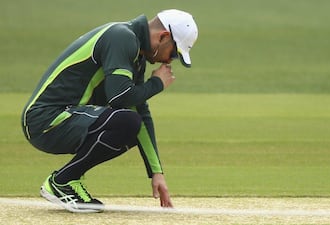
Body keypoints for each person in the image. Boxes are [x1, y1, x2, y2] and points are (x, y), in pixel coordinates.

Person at [21, 9, 198, 213]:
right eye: (174, 53)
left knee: (132, 125)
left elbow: (139, 112)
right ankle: (62, 181)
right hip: (45, 120)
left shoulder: (135, 52)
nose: (168, 61)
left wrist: (156, 172)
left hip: (62, 118)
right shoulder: (122, 38)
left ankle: (65, 180)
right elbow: (119, 97)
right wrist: (156, 84)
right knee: (127, 122)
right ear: (164, 36)